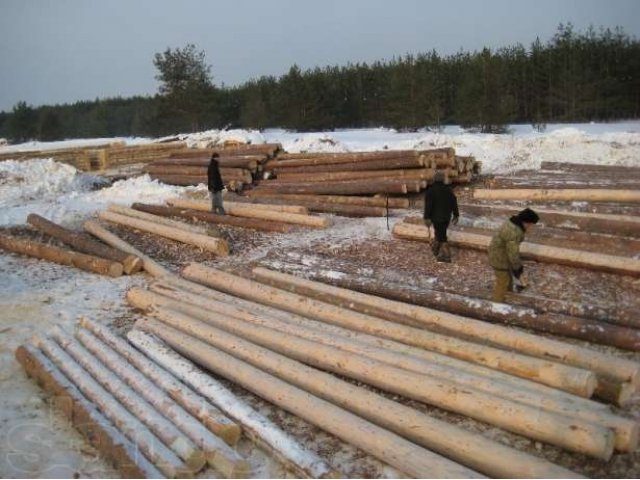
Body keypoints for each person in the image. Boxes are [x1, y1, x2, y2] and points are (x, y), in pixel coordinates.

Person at [487, 207, 540, 302]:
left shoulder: (513, 223)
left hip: (500, 254)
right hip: (499, 258)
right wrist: (518, 268)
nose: (530, 227)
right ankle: (496, 305)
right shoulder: (514, 232)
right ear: (526, 222)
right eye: (531, 224)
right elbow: (513, 254)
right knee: (503, 282)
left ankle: (507, 294)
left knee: (507, 277)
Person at [423, 170, 459, 262]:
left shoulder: (431, 191)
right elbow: (454, 202)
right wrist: (456, 215)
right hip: (446, 217)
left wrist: (426, 217)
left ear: (434, 179)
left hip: (436, 218)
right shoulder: (448, 190)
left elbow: (428, 206)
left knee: (442, 236)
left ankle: (447, 256)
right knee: (440, 233)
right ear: (443, 179)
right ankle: (436, 249)